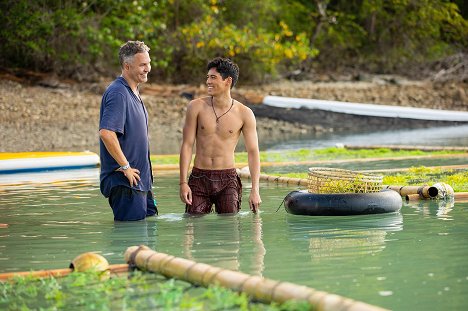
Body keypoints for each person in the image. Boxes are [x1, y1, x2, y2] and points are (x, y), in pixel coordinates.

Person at [179, 57, 261, 215]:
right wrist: (183, 182)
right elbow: (187, 145)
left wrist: (255, 190)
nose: (208, 81)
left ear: (228, 81)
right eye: (207, 77)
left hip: (228, 179)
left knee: (230, 228)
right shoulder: (195, 107)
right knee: (193, 224)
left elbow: (253, 152)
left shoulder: (245, 113)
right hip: (199, 177)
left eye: (213, 77)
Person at [98, 41, 157, 221]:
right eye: (142, 65)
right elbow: (106, 133)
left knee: (146, 236)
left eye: (148, 63)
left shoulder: (134, 92)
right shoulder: (118, 93)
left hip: (140, 183)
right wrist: (126, 167)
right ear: (127, 66)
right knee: (130, 239)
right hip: (125, 182)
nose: (148, 68)